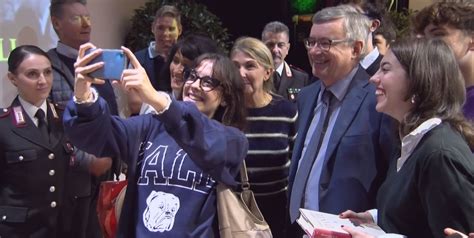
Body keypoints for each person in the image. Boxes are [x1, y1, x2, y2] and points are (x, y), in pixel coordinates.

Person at [63, 43, 248, 237]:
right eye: (192, 76)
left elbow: (199, 133)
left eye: (208, 82)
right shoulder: (150, 126)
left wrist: (154, 98)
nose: (194, 85)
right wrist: (83, 95)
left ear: (226, 97)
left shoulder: (231, 139)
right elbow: (96, 136)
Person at [340, 38, 474, 238]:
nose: (373, 78)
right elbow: (414, 215)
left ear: (418, 80)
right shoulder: (409, 141)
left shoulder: (440, 155)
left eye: (385, 69)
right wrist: (376, 218)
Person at [287, 4, 395, 236]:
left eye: (326, 43)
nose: (315, 51)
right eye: (311, 42)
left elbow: (393, 178)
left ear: (356, 48)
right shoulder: (306, 97)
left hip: (348, 230)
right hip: (300, 227)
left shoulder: (377, 101)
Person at [48, 0, 115, 237]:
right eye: (76, 18)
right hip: (71, 182)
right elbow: (52, 126)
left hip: (109, 175)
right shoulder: (48, 67)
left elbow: (111, 116)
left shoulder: (99, 63)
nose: (86, 24)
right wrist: (90, 161)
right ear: (56, 23)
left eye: (88, 17)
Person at [0, 45, 72, 237]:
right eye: (32, 74)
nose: (43, 81)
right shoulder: (4, 125)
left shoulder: (65, 117)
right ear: (13, 79)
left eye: (47, 72)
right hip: (20, 229)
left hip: (61, 227)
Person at [230, 37, 297, 237]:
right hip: (232, 212)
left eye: (250, 66)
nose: (241, 73)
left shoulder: (286, 111)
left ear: (267, 72)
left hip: (275, 214)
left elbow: (294, 161)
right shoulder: (223, 112)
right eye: (235, 66)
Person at [412, 1, 474, 120]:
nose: (427, 44)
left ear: (471, 40)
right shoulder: (428, 98)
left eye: (438, 34)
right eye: (423, 37)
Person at [134, 4, 182, 92]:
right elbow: (134, 102)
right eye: (160, 28)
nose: (165, 34)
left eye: (171, 29)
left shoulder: (185, 61)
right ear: (153, 28)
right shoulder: (138, 60)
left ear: (179, 30)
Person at [261, 21, 311, 101]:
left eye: (280, 45)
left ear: (287, 48)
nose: (275, 50)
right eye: (270, 45)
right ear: (262, 47)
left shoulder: (301, 78)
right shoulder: (255, 76)